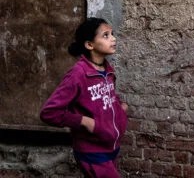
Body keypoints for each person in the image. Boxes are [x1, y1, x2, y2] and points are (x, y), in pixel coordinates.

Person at [40, 17, 128, 178]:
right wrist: (85, 122)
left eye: (112, 34)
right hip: (92, 150)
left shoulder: (107, 70)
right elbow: (49, 113)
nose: (113, 38)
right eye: (106, 35)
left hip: (110, 146)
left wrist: (119, 108)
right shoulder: (78, 74)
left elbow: (106, 97)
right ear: (89, 45)